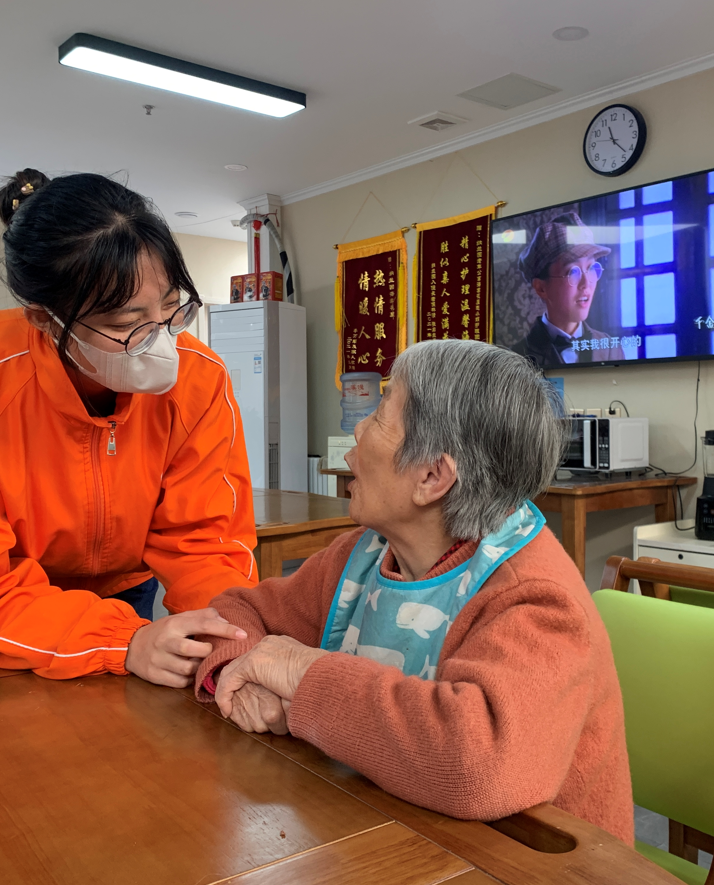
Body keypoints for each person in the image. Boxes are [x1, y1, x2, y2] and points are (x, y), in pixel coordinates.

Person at [193, 339, 634, 843]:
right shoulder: (363, 555)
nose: (357, 429)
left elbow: (479, 766)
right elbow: (237, 613)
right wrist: (238, 676)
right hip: (394, 833)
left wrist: (302, 673)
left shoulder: (536, 600)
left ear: (431, 477)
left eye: (380, 416)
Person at [0, 169, 253, 685]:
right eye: (122, 324)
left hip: (127, 590)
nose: (161, 343)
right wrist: (120, 641)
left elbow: (204, 542)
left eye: (173, 307)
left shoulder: (201, 380)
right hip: (0, 612)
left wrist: (234, 629)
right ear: (44, 319)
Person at [512, 212, 626, 366]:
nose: (586, 283)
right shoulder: (515, 357)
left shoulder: (611, 348)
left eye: (592, 268)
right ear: (541, 288)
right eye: (573, 271)